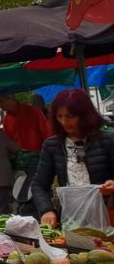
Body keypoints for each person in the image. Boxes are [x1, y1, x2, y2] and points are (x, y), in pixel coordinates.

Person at [33, 89, 114, 228]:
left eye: (70, 116)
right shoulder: (52, 145)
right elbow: (39, 185)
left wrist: (112, 184)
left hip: (107, 215)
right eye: (59, 116)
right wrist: (47, 210)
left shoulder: (108, 140)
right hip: (70, 220)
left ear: (85, 115)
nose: (64, 121)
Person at [0, 90, 51, 214]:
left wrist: (47, 155)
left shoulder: (33, 112)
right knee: (22, 195)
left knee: (38, 194)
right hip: (20, 165)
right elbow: (8, 142)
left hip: (38, 161)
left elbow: (47, 134)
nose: (0, 106)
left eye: (1, 102)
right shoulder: (7, 119)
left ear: (11, 98)